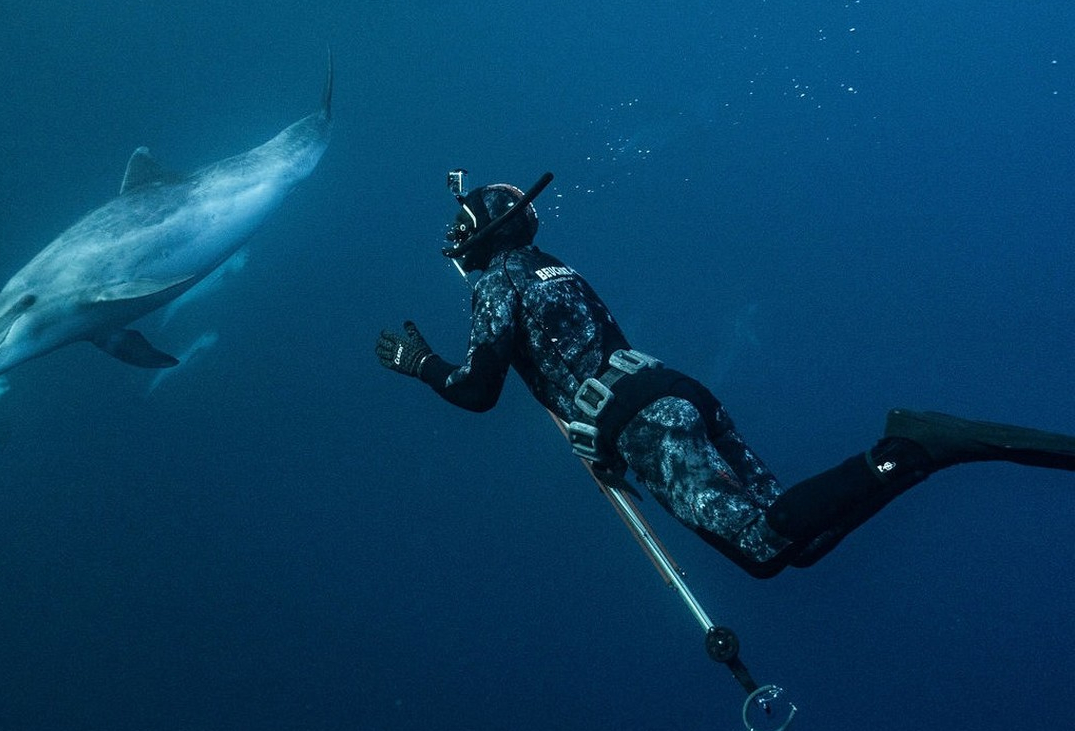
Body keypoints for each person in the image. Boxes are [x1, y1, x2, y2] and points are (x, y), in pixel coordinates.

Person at [376, 175, 1075, 579]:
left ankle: (909, 449)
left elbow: (479, 391)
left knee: (765, 546)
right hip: (677, 396)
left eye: (462, 226)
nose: (456, 240)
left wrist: (421, 365)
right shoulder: (552, 267)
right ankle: (920, 455)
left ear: (487, 232)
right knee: (799, 545)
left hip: (643, 424)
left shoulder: (496, 282)